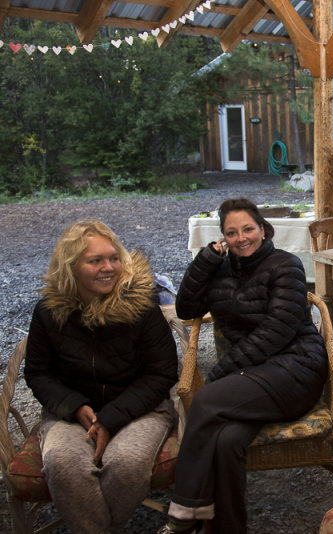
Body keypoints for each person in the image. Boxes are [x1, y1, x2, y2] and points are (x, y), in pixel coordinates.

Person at [160, 198, 327, 534]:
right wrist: (204, 262)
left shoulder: (287, 265)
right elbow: (186, 308)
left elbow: (276, 331)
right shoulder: (219, 270)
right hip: (250, 377)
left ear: (263, 230)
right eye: (231, 232)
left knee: (206, 400)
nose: (241, 238)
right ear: (222, 238)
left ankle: (184, 512)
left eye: (248, 228)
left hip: (296, 369)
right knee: (226, 441)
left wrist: (222, 373)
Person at [24, 219, 178, 534]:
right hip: (70, 412)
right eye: (96, 261)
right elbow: (38, 373)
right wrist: (75, 407)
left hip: (140, 409)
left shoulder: (142, 307)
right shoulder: (48, 312)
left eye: (113, 258)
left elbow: (161, 373)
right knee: (64, 465)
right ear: (71, 267)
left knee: (128, 463)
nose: (109, 267)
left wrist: (110, 419)